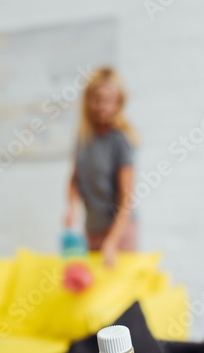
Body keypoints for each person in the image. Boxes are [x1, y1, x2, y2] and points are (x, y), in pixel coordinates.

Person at [64, 67, 138, 267]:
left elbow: (126, 200)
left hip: (119, 232)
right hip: (92, 230)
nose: (102, 106)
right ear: (88, 99)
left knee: (122, 294)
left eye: (110, 100)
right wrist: (72, 207)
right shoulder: (84, 138)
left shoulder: (120, 141)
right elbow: (74, 179)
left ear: (118, 103)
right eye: (97, 99)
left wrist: (112, 242)